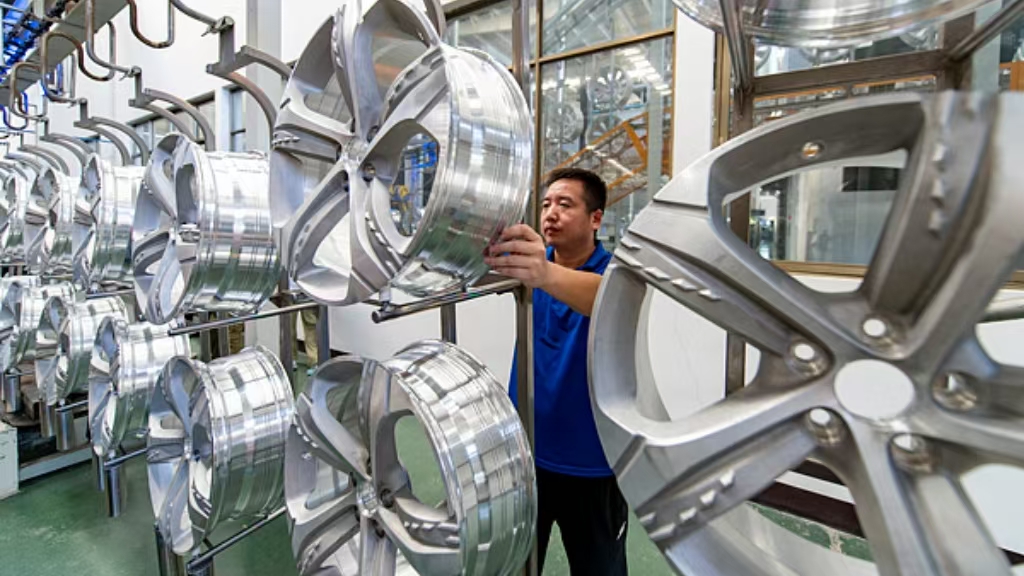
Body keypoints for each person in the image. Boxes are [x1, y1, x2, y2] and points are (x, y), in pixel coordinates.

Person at [485, 168, 628, 575]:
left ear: (596, 219)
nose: (550, 213)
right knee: (517, 565)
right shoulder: (532, 266)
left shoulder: (617, 275)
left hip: (592, 464)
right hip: (526, 455)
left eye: (565, 205)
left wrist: (543, 275)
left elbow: (607, 299)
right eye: (546, 204)